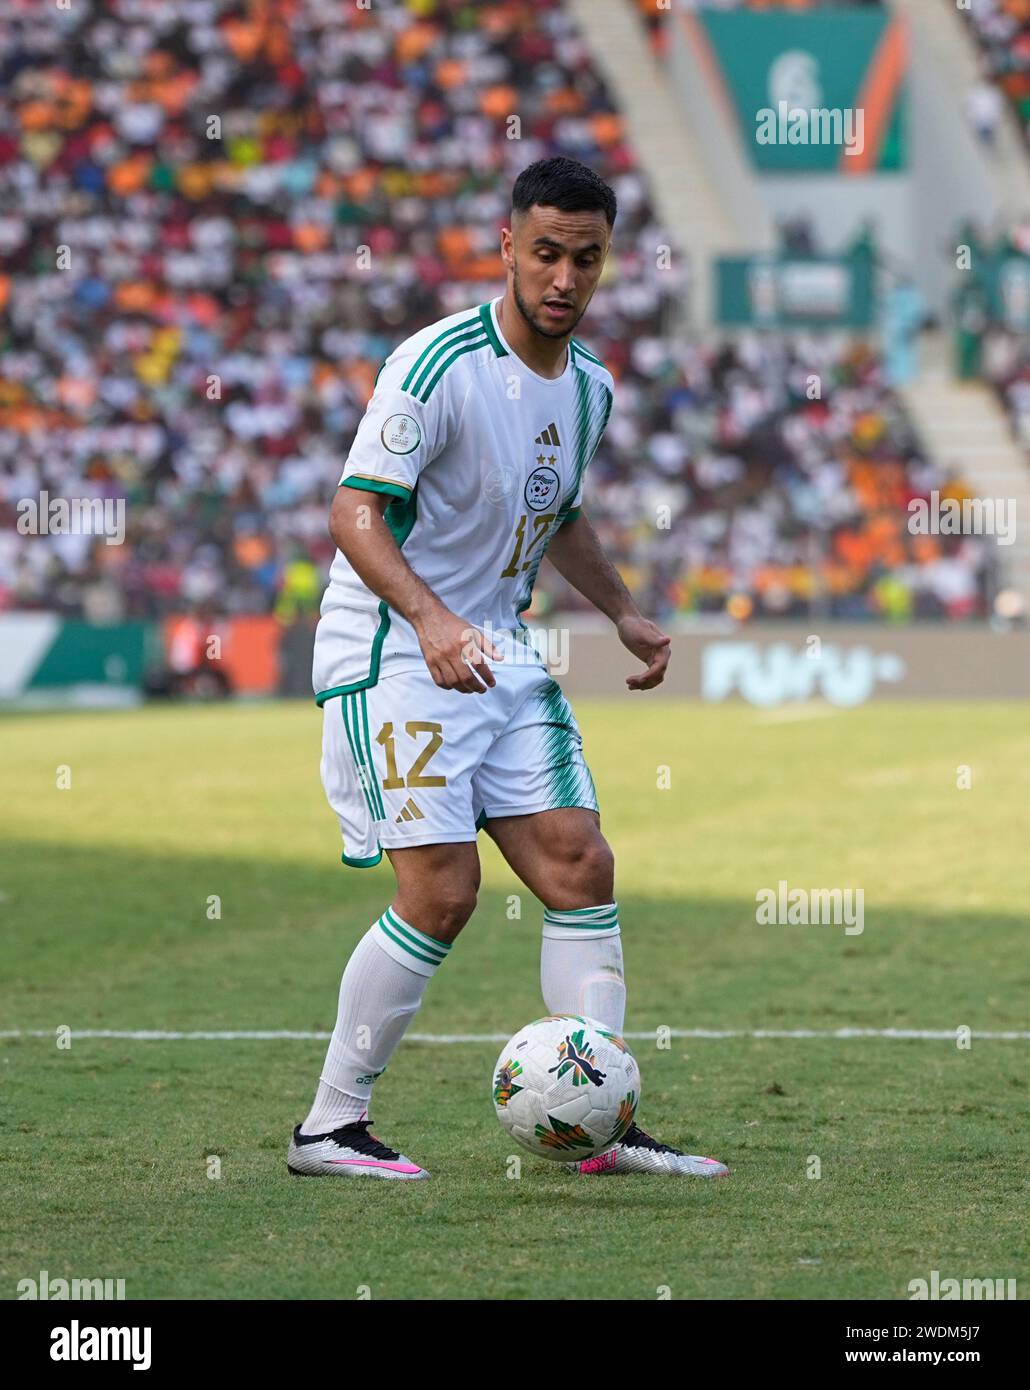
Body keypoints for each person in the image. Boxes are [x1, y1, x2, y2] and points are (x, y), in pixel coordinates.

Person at [288, 156, 729, 1181]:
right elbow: (353, 511)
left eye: (585, 258)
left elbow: (556, 513)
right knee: (443, 891)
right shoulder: (436, 363)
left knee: (579, 862)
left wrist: (620, 609)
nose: (563, 278)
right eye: (544, 254)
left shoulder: (590, 389)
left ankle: (600, 1126)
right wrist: (433, 619)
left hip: (496, 647)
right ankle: (329, 1127)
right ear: (507, 247)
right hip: (396, 649)